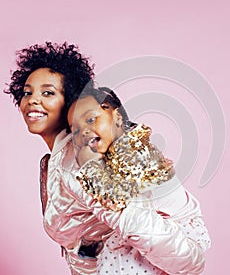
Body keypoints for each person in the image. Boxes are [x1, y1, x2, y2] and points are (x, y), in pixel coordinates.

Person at [67, 86, 211, 274]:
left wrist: (88, 164)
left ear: (118, 117)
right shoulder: (116, 150)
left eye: (90, 120)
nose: (84, 131)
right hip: (142, 234)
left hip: (172, 235)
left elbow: (115, 200)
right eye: (75, 130)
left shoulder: (136, 151)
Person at [5, 42, 109, 275]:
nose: (32, 100)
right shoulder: (56, 159)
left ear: (71, 100)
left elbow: (128, 225)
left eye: (48, 93)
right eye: (27, 92)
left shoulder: (81, 156)